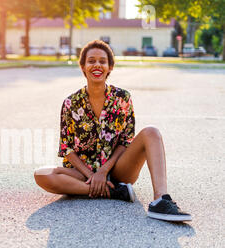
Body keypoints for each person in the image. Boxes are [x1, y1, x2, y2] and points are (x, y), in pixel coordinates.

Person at [34, 40, 191, 222]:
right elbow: (66, 149)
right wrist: (92, 176)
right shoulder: (70, 103)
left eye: (102, 61)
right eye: (91, 61)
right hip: (82, 174)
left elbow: (126, 141)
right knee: (41, 175)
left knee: (151, 132)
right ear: (83, 66)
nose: (97, 65)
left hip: (118, 170)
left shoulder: (122, 98)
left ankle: (161, 201)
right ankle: (114, 192)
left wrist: (103, 171)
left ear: (110, 67)